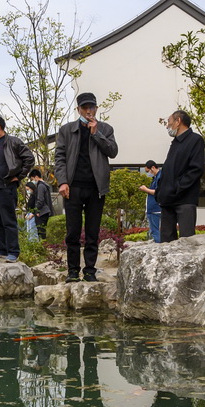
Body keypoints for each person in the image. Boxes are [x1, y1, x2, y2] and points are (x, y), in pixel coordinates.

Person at [54, 92, 118, 282]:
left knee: (92, 232)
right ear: (78, 109)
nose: (89, 111)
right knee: (72, 232)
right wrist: (62, 181)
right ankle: (73, 271)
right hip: (72, 188)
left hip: (96, 188)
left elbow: (113, 152)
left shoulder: (105, 129)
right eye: (85, 108)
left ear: (97, 108)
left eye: (92, 107)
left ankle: (89, 270)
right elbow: (60, 158)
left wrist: (96, 133)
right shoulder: (66, 130)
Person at [0, 114, 35, 263]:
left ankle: (13, 251)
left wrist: (20, 176)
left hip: (6, 187)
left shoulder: (13, 142)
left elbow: (29, 158)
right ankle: (1, 248)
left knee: (8, 220)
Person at [155, 109, 205, 242]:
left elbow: (196, 169)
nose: (167, 126)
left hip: (185, 200)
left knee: (187, 243)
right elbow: (168, 170)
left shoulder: (195, 140)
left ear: (178, 121)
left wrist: (178, 187)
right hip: (167, 201)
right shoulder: (175, 143)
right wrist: (161, 191)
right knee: (165, 243)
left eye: (169, 122)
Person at [138, 160, 163, 243]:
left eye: (148, 171)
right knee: (154, 231)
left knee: (155, 231)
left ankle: (158, 247)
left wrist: (145, 189)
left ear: (153, 168)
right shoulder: (156, 177)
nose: (148, 173)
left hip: (155, 209)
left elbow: (158, 192)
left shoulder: (160, 177)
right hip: (153, 209)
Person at [25, 169, 52, 239]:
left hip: (41, 212)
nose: (33, 181)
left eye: (32, 179)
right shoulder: (45, 185)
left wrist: (36, 211)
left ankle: (42, 248)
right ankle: (42, 247)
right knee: (42, 231)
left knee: (40, 232)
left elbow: (40, 200)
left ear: (36, 177)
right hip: (45, 211)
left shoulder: (40, 186)